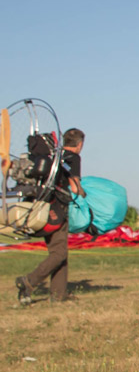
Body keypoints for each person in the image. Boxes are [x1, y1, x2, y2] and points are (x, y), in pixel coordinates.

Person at [15, 127, 85, 305]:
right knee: (59, 253)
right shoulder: (73, 158)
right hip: (57, 208)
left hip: (41, 206)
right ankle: (29, 281)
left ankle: (58, 294)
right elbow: (75, 186)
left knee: (59, 250)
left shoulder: (55, 156)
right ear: (79, 144)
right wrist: (83, 194)